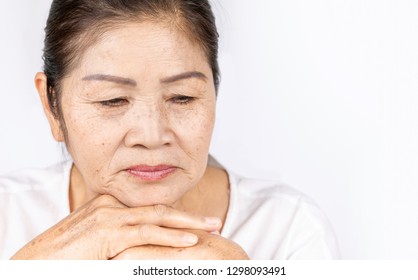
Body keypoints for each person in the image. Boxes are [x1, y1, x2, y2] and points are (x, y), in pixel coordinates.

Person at [0, 0, 339, 260]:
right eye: (112, 100)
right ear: (51, 105)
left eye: (182, 97)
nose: (151, 135)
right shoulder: (8, 216)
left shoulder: (288, 229)